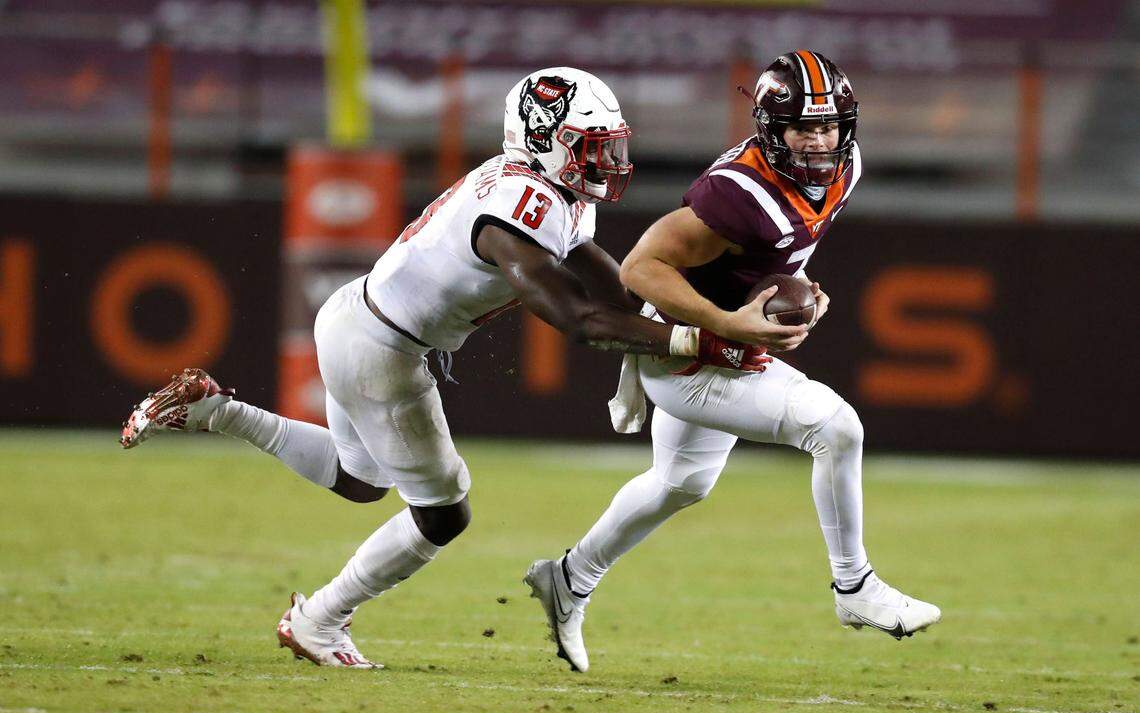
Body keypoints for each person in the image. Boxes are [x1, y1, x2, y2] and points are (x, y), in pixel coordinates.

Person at [120, 67, 801, 669]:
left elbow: (616, 289)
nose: (609, 161)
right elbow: (575, 318)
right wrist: (695, 345)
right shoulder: (520, 204)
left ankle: (213, 409)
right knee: (444, 513)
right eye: (593, 147)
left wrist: (663, 341)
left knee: (362, 481)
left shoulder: (549, 192)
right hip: (384, 347)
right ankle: (319, 619)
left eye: (611, 145)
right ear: (544, 140)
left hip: (357, 318)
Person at [525, 51, 941, 673]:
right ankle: (854, 587)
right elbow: (640, 269)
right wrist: (724, 322)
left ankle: (569, 578)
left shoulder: (843, 168)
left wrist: (802, 294)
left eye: (829, 125)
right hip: (693, 356)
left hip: (724, 344)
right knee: (836, 428)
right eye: (802, 127)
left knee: (679, 484)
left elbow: (782, 252)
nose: (820, 140)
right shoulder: (737, 194)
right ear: (772, 131)